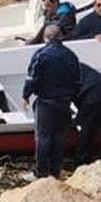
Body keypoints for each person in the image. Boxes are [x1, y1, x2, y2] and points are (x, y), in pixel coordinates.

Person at [23, 25, 82, 178]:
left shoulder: (41, 55)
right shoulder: (71, 55)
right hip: (64, 102)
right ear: (61, 37)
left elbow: (32, 78)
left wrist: (26, 94)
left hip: (46, 102)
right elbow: (77, 81)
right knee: (58, 138)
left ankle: (41, 173)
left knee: (43, 138)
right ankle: (56, 171)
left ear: (45, 38)